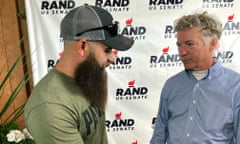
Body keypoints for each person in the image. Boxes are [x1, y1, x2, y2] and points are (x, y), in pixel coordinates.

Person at [24, 4, 134, 144]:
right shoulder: (50, 107)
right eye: (107, 50)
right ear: (82, 46)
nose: (113, 58)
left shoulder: (88, 77)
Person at [150, 11, 240, 144]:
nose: (182, 52)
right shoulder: (171, 85)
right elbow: (160, 133)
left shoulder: (236, 86)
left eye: (190, 44)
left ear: (212, 44)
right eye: (179, 45)